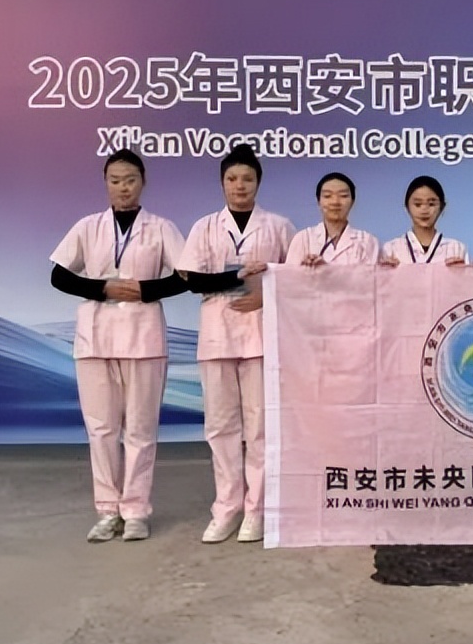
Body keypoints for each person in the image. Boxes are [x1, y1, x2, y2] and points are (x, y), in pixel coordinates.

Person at [49, 148, 186, 543]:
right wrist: (102, 288)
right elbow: (59, 275)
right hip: (95, 337)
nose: (123, 187)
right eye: (115, 180)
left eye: (130, 180)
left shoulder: (161, 228)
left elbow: (186, 276)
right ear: (105, 184)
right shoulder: (88, 226)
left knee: (140, 428)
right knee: (102, 428)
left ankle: (136, 510)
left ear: (143, 182)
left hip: (143, 338)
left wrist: (145, 290)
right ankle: (108, 511)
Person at [178, 144, 295, 545]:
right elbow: (193, 279)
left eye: (247, 178)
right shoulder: (205, 227)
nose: (240, 185)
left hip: (261, 334)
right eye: (232, 179)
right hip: (216, 335)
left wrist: (265, 294)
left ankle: (256, 510)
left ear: (258, 182)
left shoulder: (278, 226)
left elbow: (295, 278)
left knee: (259, 425)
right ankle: (227, 507)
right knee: (221, 425)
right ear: (222, 184)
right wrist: (236, 277)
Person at [286, 172, 380, 265]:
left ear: (352, 201)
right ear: (318, 201)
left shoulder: (367, 241)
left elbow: (372, 275)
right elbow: (289, 273)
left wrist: (326, 270)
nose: (335, 202)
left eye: (343, 196)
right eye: (327, 196)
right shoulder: (303, 239)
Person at [379, 175, 467, 266]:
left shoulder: (456, 249)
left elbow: (469, 275)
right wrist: (386, 271)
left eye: (431, 204)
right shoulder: (391, 249)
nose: (424, 210)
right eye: (418, 204)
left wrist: (459, 272)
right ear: (407, 208)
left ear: (442, 207)